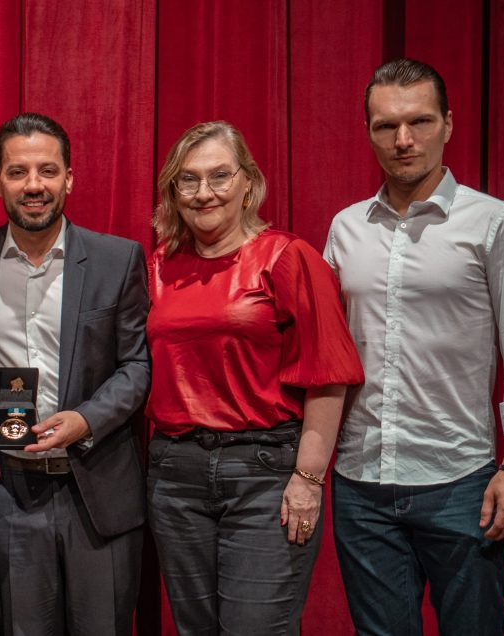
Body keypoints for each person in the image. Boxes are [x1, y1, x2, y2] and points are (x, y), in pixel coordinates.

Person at [145, 121, 364, 634]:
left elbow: (328, 376)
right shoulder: (160, 265)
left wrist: (308, 480)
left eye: (220, 176)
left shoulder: (289, 258)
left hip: (265, 473)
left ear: (249, 183)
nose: (204, 193)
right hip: (175, 473)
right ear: (173, 191)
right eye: (188, 180)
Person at [0, 112, 150, 636]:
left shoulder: (116, 259)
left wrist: (86, 418)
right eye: (17, 172)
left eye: (47, 171)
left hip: (95, 490)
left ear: (69, 178)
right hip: (9, 495)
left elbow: (138, 365)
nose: (33, 185)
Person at [324, 58, 504, 634]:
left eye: (420, 122)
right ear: (369, 131)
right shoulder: (345, 228)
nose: (403, 140)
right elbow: (322, 351)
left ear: (449, 124)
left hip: (461, 480)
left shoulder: (493, 223)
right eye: (386, 126)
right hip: (361, 484)